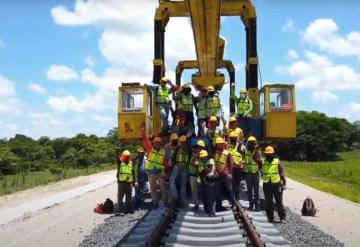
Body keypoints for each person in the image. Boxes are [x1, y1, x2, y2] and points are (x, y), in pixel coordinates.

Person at [142, 132, 169, 208]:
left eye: (158, 143)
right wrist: (143, 132)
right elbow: (145, 141)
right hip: (151, 173)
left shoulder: (163, 151)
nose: (157, 144)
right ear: (153, 143)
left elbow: (165, 162)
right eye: (155, 143)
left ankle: (165, 202)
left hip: (160, 172)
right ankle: (155, 203)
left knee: (163, 188)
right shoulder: (150, 149)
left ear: (160, 144)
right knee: (153, 189)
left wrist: (166, 170)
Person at [262, 146, 287, 223]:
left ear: (273, 154)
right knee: (268, 202)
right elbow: (255, 158)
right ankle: (270, 218)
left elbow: (282, 173)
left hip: (277, 184)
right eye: (267, 154)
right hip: (267, 184)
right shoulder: (263, 162)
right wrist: (256, 150)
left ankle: (282, 217)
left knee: (279, 202)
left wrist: (284, 183)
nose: (268, 155)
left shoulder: (277, 162)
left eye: (270, 154)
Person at [214, 137, 235, 211]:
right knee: (218, 191)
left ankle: (233, 204)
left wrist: (230, 173)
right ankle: (218, 207)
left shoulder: (227, 153)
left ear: (222, 144)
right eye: (217, 144)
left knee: (230, 190)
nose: (217, 145)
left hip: (226, 174)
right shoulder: (216, 153)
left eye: (219, 144)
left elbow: (231, 163)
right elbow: (215, 163)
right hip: (218, 175)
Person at [244, 136, 262, 211]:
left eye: (253, 142)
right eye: (250, 142)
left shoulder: (258, 152)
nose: (252, 144)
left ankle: (257, 206)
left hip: (255, 173)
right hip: (248, 173)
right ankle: (251, 205)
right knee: (249, 191)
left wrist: (260, 171)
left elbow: (260, 162)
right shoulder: (245, 151)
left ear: (255, 143)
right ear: (248, 143)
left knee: (256, 191)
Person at [172, 135, 191, 207]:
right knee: (179, 184)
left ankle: (180, 200)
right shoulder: (179, 149)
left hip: (183, 169)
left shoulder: (188, 149)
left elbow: (191, 158)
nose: (182, 144)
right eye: (182, 142)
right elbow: (174, 158)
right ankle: (178, 198)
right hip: (179, 168)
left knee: (182, 185)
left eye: (183, 142)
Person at [198, 150, 217, 216]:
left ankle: (212, 212)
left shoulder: (210, 160)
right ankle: (207, 211)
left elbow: (213, 167)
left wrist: (210, 172)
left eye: (204, 157)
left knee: (211, 198)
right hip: (203, 182)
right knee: (204, 198)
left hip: (210, 182)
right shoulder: (200, 162)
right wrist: (206, 170)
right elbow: (201, 172)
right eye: (202, 157)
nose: (203, 158)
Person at [188, 140, 206, 212]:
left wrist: (196, 160)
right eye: (197, 147)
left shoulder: (203, 156)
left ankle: (204, 205)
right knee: (194, 191)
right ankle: (196, 205)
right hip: (193, 175)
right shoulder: (194, 154)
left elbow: (195, 163)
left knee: (202, 191)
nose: (198, 149)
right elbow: (192, 163)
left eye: (200, 147)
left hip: (200, 175)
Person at [228, 131, 244, 201]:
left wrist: (242, 164)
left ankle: (237, 197)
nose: (233, 139)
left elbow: (244, 155)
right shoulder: (228, 146)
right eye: (232, 138)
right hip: (231, 168)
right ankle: (233, 198)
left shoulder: (241, 146)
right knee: (232, 183)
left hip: (238, 168)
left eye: (234, 138)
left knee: (238, 183)